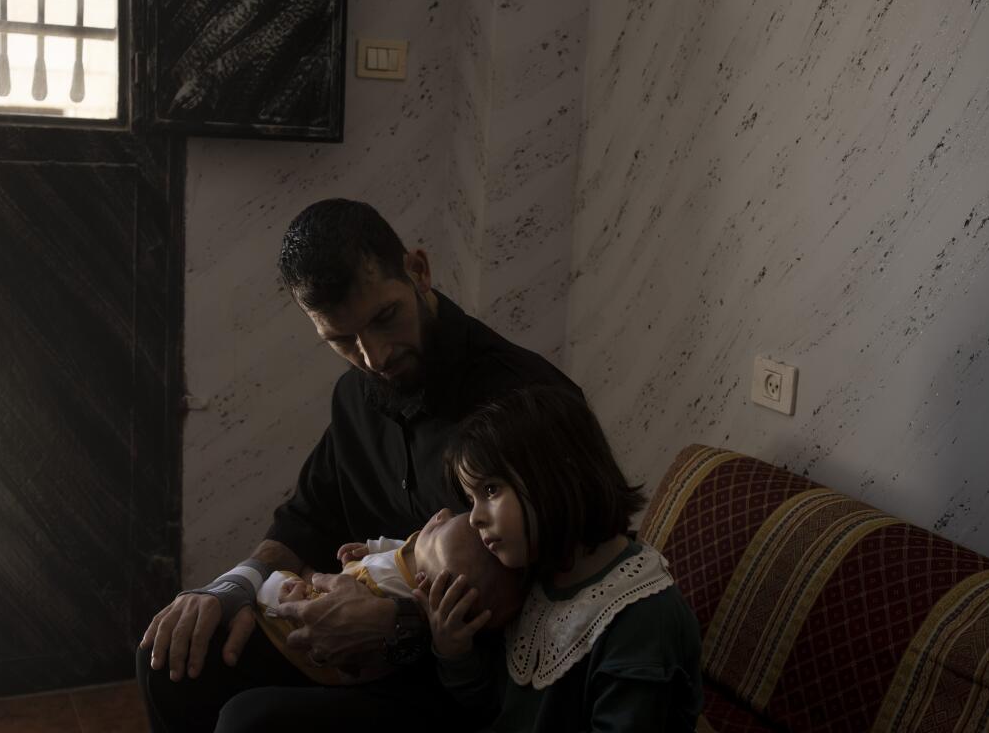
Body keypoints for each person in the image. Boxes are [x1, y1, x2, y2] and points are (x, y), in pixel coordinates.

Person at [136, 198, 578, 732]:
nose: (375, 357)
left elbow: (557, 596)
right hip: (363, 657)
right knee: (173, 660)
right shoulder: (357, 395)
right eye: (342, 340)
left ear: (418, 270)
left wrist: (399, 627)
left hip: (469, 681)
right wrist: (233, 586)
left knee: (250, 722)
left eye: (385, 317)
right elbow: (308, 517)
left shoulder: (527, 399)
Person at [416, 386, 705, 732]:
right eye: (470, 498)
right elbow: (497, 708)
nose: (475, 518)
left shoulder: (642, 619)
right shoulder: (531, 574)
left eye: (490, 490)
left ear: (557, 474)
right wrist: (455, 652)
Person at [255, 508, 525, 685]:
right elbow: (400, 547)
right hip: (325, 593)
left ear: (429, 585)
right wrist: (368, 549)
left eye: (437, 530)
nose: (440, 514)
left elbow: (340, 620)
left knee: (279, 584)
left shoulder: (397, 590)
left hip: (307, 637)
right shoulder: (417, 551)